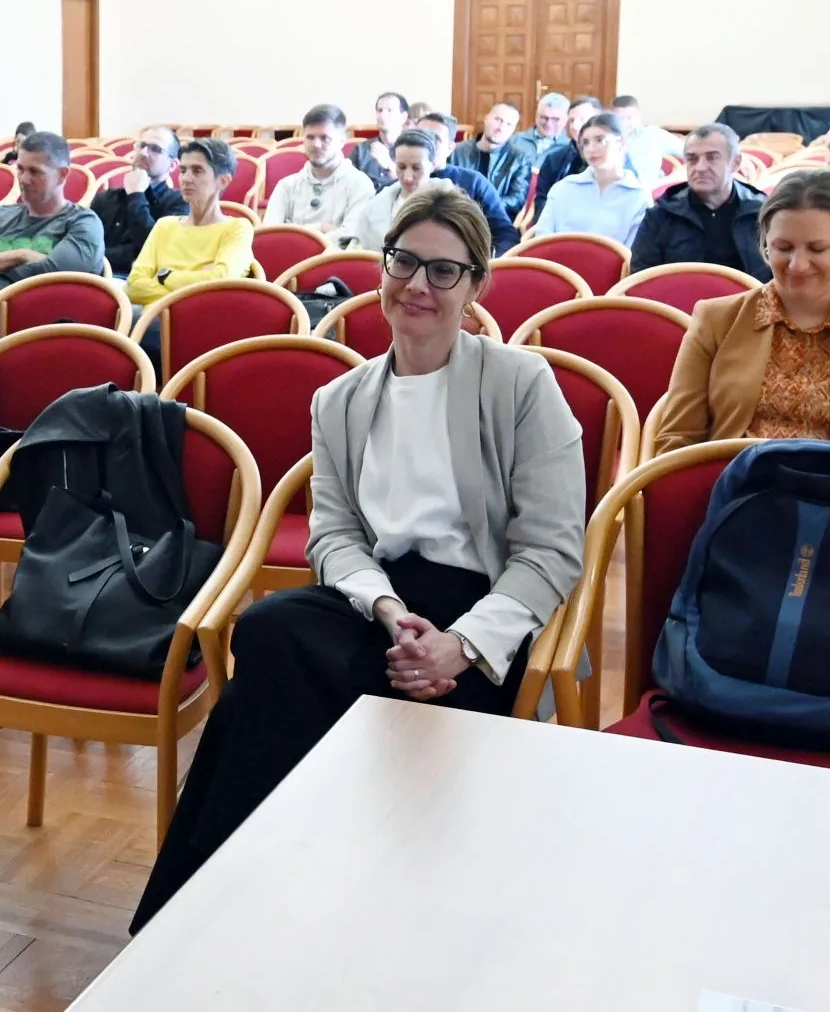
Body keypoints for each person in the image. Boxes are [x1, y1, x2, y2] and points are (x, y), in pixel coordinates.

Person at [132, 184, 584, 931]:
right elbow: (335, 535)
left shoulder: (520, 383)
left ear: (475, 286)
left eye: (444, 270)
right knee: (269, 631)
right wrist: (388, 609)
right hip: (383, 604)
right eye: (403, 261)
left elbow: (552, 550)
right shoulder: (341, 399)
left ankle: (209, 911)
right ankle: (243, 903)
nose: (418, 285)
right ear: (382, 268)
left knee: (270, 688)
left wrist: (459, 646)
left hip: (484, 608)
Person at [654, 169, 830, 455]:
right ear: (765, 244)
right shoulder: (716, 320)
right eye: (783, 247)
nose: (798, 264)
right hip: (733, 478)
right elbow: (677, 441)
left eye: (817, 249)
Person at [0, 131, 104, 317]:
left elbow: (53, 274)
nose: (24, 179)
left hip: (13, 320)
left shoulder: (83, 222)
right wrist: (21, 255)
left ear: (62, 175)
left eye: (35, 171)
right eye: (20, 169)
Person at [337, 129, 519, 255]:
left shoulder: (455, 204)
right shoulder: (377, 204)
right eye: (401, 167)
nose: (408, 177)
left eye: (417, 168)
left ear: (432, 165)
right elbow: (357, 256)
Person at [629, 122, 768, 280]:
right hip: (678, 296)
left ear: (735, 163)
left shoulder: (761, 212)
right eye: (692, 159)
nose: (700, 168)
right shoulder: (661, 214)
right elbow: (640, 279)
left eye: (712, 158)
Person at [124, 139, 255, 304]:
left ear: (223, 181)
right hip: (153, 315)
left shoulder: (237, 228)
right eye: (183, 170)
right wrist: (197, 282)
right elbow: (133, 286)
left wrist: (164, 276)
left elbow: (221, 281)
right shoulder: (165, 225)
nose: (186, 178)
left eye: (197, 171)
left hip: (204, 316)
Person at [533, 112, 650, 246]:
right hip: (558, 258)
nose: (591, 149)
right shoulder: (563, 188)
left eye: (600, 140)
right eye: (585, 143)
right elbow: (542, 239)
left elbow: (635, 252)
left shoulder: (639, 197)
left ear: (622, 144)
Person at [263, 105, 375, 235]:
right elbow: (270, 235)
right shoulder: (287, 186)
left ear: (341, 141)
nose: (316, 145)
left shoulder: (360, 185)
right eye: (310, 137)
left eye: (325, 138)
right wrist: (323, 228)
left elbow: (351, 239)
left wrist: (293, 231)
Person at [92, 126, 188, 275]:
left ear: (173, 165)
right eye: (141, 145)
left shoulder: (179, 202)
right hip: (97, 276)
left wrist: (136, 194)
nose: (143, 153)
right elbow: (88, 251)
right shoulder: (105, 198)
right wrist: (131, 256)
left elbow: (156, 249)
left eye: (155, 149)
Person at [528, 95, 605, 221]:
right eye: (572, 120)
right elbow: (542, 201)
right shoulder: (554, 159)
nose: (575, 126)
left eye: (582, 120)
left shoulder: (612, 159)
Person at [448, 103, 530, 217]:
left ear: (513, 130)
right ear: (486, 119)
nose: (501, 128)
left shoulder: (519, 159)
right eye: (498, 120)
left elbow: (517, 200)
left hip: (495, 219)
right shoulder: (456, 152)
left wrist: (484, 207)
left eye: (509, 124)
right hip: (457, 216)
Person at [344, 91, 411, 190]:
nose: (382, 115)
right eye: (380, 110)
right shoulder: (361, 149)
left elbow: (415, 186)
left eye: (389, 110)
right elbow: (347, 182)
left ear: (403, 117)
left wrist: (390, 166)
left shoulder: (413, 148)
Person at [612, 94, 684, 173]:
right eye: (618, 118)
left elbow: (690, 152)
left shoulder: (654, 134)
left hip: (650, 181)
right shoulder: (605, 139)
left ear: (638, 117)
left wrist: (673, 178)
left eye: (629, 118)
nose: (624, 123)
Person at [511, 92, 570, 173]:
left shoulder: (570, 147)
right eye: (544, 117)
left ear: (566, 120)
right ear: (536, 116)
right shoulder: (515, 141)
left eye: (555, 119)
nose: (549, 124)